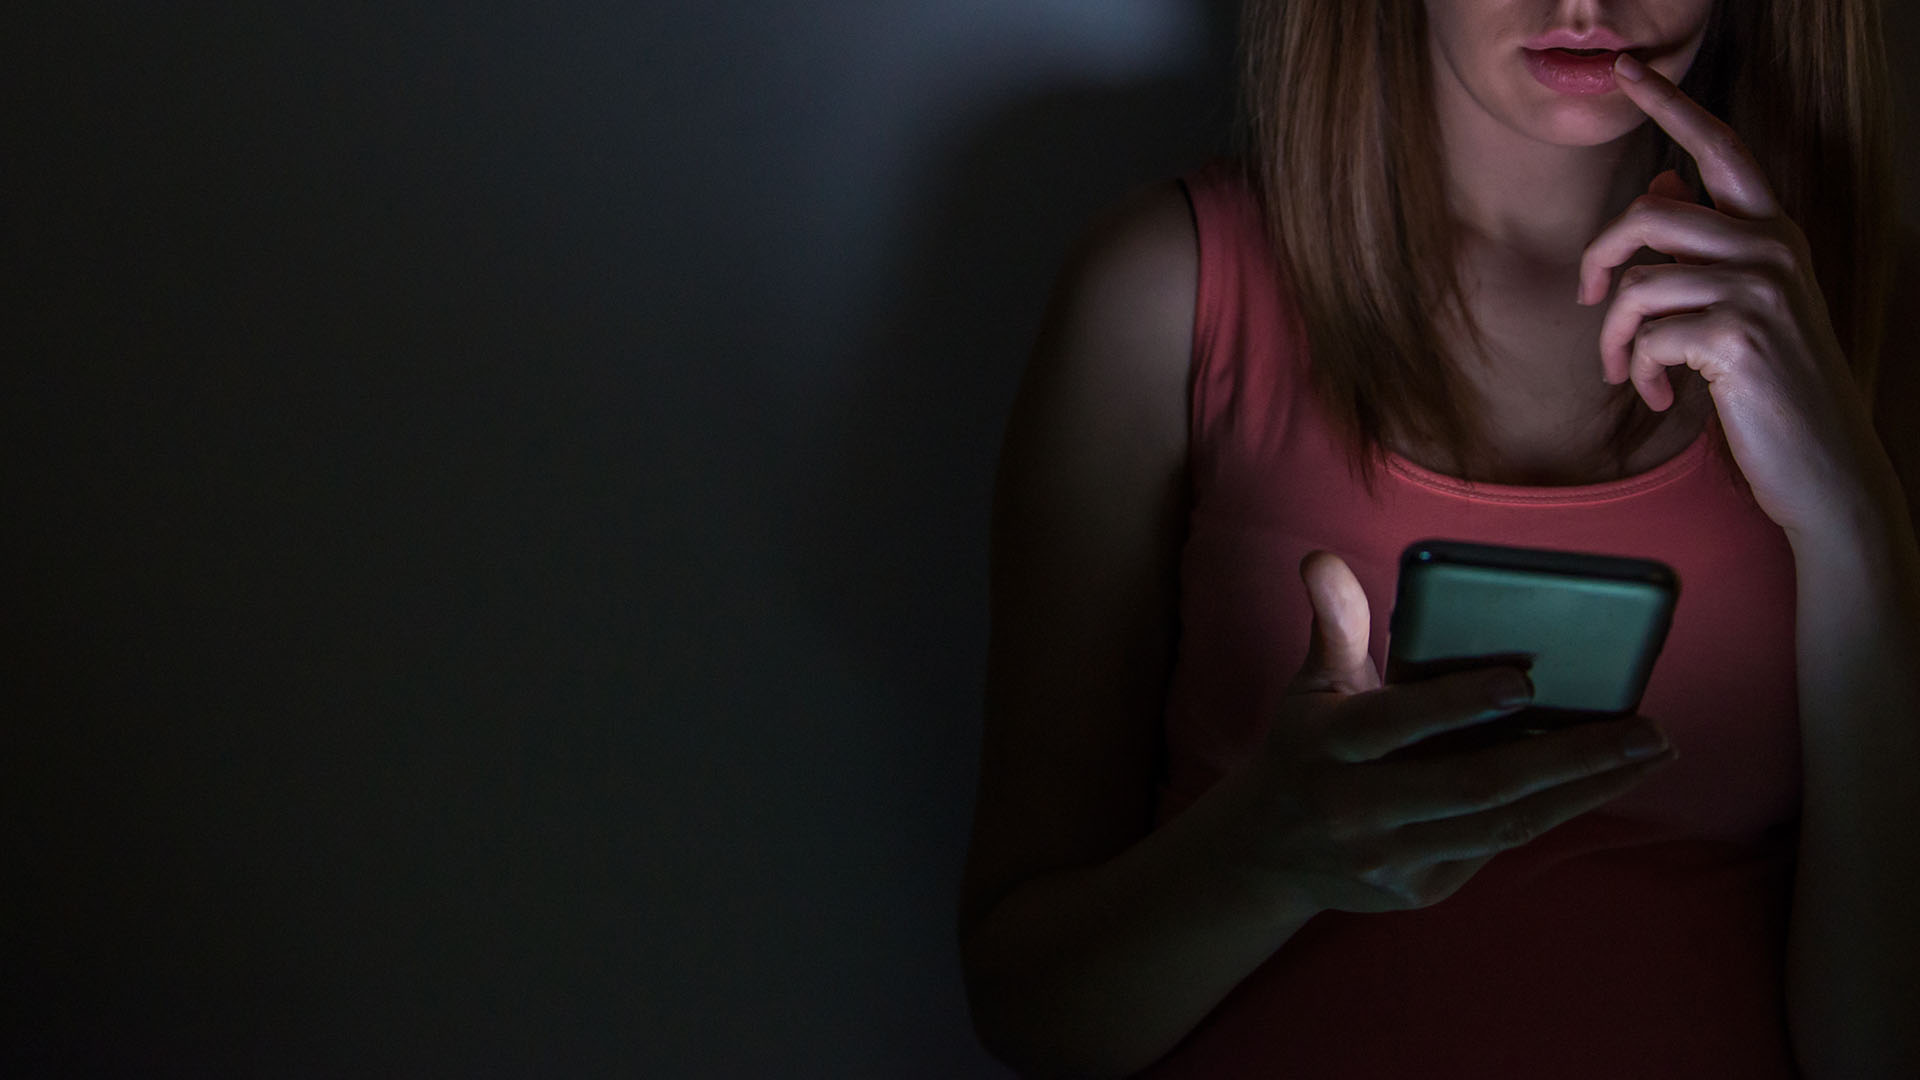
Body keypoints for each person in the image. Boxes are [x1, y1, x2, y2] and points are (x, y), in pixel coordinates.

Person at [958, 1, 1920, 1076]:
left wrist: (1855, 532)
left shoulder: (1868, 335)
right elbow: (1033, 1009)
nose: (1586, 2)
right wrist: (1264, 859)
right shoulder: (1165, 298)